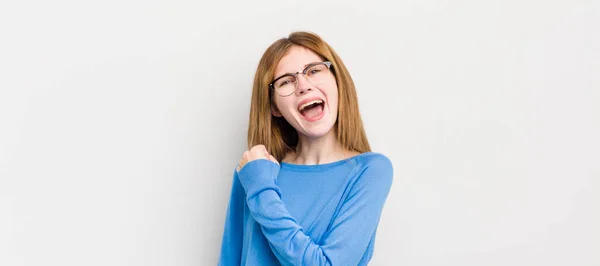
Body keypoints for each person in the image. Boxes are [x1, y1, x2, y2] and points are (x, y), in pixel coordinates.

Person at [218, 31, 394, 266]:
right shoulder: (254, 172)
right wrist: (258, 180)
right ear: (274, 107)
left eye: (314, 70)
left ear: (336, 81)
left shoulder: (370, 170)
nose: (303, 86)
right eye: (286, 81)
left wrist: (262, 190)